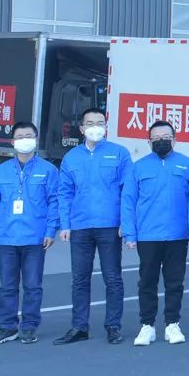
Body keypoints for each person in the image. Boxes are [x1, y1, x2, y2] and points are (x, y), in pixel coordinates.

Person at [55, 108, 132, 345]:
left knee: (112, 278)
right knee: (80, 279)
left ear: (106, 127)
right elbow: (65, 193)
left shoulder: (119, 153)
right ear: (81, 129)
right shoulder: (71, 157)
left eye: (100, 122)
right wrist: (65, 224)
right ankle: (79, 326)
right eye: (90, 123)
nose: (95, 127)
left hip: (110, 225)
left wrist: (126, 223)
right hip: (80, 226)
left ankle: (113, 326)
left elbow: (128, 192)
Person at [0, 121, 59, 345]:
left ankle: (29, 326)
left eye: (29, 136)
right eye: (20, 136)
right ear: (12, 142)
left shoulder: (48, 170)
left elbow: (54, 202)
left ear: (36, 140)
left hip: (35, 238)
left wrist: (51, 230)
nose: (24, 140)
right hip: (6, 237)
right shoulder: (1, 171)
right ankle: (7, 326)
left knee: (33, 286)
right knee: (7, 286)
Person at [121, 120, 189, 347]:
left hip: (177, 235)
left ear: (175, 139)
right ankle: (147, 325)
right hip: (148, 235)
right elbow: (128, 201)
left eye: (166, 137)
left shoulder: (187, 165)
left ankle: (172, 324)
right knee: (147, 282)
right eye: (156, 138)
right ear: (149, 141)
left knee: (175, 282)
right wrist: (130, 234)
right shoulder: (138, 167)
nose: (161, 141)